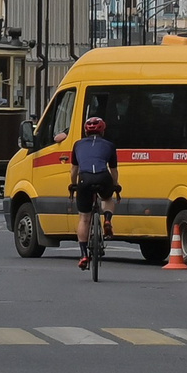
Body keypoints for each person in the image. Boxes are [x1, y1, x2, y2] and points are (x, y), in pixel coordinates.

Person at [69, 114, 120, 269]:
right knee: (107, 199)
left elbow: (74, 170)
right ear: (103, 130)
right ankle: (107, 219)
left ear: (86, 131)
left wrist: (73, 185)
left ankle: (84, 255)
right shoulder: (109, 145)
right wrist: (115, 185)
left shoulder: (77, 145)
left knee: (84, 218)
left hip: (84, 179)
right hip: (103, 177)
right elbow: (113, 170)